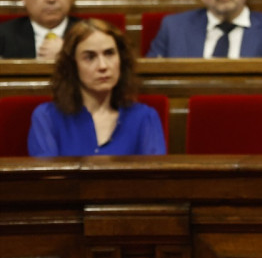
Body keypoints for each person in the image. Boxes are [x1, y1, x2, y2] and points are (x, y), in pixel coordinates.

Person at [27, 18, 166, 156]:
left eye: (109, 53)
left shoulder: (144, 117)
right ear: (72, 65)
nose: (103, 66)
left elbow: (155, 170)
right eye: (90, 57)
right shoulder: (47, 117)